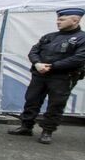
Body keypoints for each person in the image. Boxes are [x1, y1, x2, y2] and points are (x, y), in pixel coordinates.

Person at [8, 8, 85, 144]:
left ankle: (47, 131)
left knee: (56, 104)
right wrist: (37, 63)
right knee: (31, 100)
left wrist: (52, 66)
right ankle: (26, 127)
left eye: (61, 19)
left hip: (62, 77)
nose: (57, 22)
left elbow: (78, 58)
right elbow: (34, 51)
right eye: (58, 19)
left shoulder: (81, 38)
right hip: (40, 74)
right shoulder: (50, 36)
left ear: (75, 20)